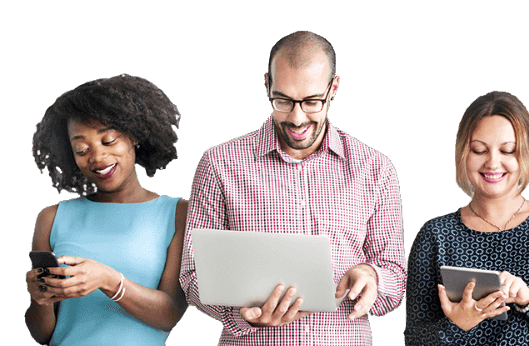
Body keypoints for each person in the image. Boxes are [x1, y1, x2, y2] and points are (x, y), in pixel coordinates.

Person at [180, 30, 405, 344]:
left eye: (312, 102)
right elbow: (192, 276)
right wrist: (241, 314)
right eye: (283, 101)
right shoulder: (219, 164)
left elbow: (395, 274)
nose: (297, 119)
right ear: (267, 86)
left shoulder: (375, 169)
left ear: (334, 88)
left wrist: (373, 277)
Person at [403, 91, 529, 345]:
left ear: (525, 154)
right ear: (464, 153)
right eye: (479, 150)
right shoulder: (434, 235)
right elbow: (413, 339)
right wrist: (456, 324)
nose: (493, 163)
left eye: (507, 150)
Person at [26, 74, 187, 345]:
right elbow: (42, 334)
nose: (97, 157)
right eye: (81, 149)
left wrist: (108, 279)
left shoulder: (177, 213)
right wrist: (41, 299)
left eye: (109, 140)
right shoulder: (52, 217)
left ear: (134, 136)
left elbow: (169, 314)